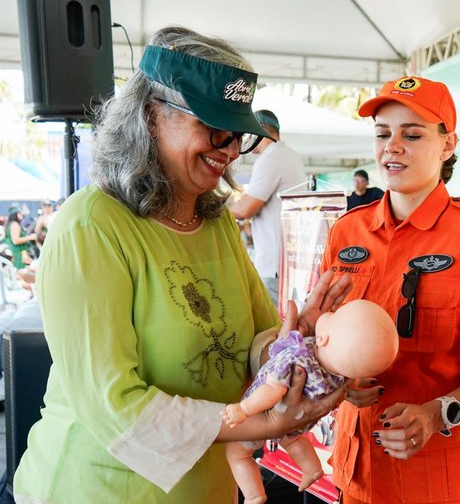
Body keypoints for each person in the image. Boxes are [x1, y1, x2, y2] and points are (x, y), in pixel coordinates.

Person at [12, 25, 351, 504]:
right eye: (213, 128)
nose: (230, 149)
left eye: (238, 136)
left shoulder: (215, 224)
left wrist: (297, 343)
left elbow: (254, 347)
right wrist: (259, 422)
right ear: (151, 116)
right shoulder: (91, 225)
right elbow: (117, 407)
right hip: (95, 489)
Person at [319, 76, 460, 504]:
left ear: (448, 145)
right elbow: (321, 330)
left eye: (412, 135)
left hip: (440, 478)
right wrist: (336, 378)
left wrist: (440, 412)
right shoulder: (347, 231)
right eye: (382, 133)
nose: (392, 147)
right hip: (356, 468)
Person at [222, 299, 398, 501]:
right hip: (298, 421)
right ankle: (311, 468)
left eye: (335, 316)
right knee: (294, 440)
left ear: (323, 339)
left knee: (237, 454)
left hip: (265, 415)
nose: (330, 314)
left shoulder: (299, 357)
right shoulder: (339, 375)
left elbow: (272, 389)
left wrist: (243, 409)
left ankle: (254, 495)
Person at [230, 109, 306, 308]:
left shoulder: (271, 158)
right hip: (287, 258)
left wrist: (215, 212)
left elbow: (245, 209)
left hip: (274, 262)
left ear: (260, 129)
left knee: (273, 327)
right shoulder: (291, 155)